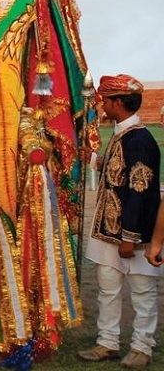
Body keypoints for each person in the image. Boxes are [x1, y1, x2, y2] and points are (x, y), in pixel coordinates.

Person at [79, 74, 161, 368]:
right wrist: (91, 159)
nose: (102, 105)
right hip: (108, 234)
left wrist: (129, 237)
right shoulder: (121, 135)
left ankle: (142, 346)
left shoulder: (140, 140)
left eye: (106, 100)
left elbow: (139, 190)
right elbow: (116, 172)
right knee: (108, 290)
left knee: (141, 291)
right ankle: (108, 342)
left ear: (119, 103)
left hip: (132, 236)